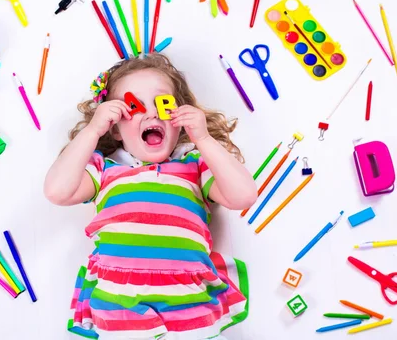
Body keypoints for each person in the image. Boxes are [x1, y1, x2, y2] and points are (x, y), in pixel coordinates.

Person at [44, 54, 257, 339]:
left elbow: (243, 196)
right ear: (116, 128)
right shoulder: (105, 170)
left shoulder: (194, 166)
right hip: (119, 303)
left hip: (187, 300)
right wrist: (93, 130)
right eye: (134, 106)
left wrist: (204, 139)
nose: (152, 114)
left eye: (162, 103)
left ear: (179, 120)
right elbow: (57, 192)